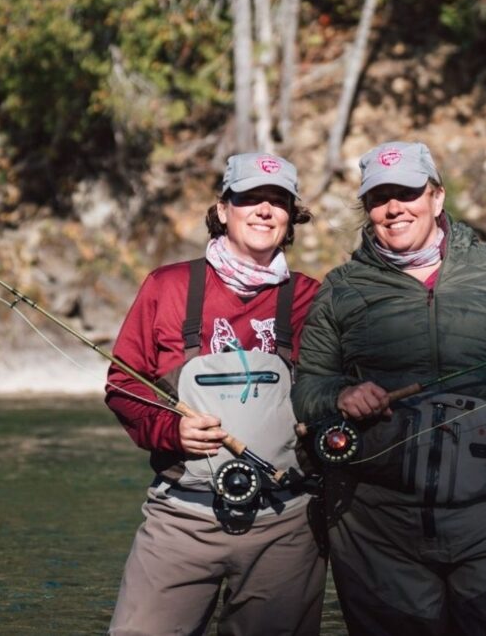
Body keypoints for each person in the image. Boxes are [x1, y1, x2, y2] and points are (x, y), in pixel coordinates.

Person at [292, 141, 486, 635]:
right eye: (379, 197)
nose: (393, 208)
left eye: (406, 192)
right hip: (379, 528)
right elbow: (308, 387)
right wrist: (341, 396)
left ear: (436, 197)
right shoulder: (341, 289)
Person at [105, 153, 325, 636]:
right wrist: (172, 430)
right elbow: (123, 385)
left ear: (291, 218)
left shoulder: (313, 297)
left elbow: (335, 391)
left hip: (285, 523)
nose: (264, 210)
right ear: (223, 209)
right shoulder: (168, 286)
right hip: (180, 517)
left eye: (278, 202)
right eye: (250, 199)